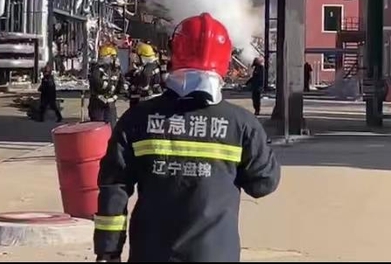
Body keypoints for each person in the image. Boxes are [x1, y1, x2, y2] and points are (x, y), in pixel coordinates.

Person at [94, 13, 281, 262]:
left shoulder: (136, 120)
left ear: (174, 55)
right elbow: (263, 184)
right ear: (224, 61)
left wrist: (108, 252)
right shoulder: (242, 124)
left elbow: (113, 188)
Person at [88, 44, 125, 128]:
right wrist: (108, 87)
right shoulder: (97, 69)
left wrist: (116, 95)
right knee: (97, 127)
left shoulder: (116, 70)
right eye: (113, 57)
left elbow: (121, 85)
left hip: (110, 105)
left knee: (111, 127)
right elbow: (96, 82)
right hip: (98, 103)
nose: (115, 59)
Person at [126, 42, 163, 109]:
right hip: (157, 97)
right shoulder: (155, 65)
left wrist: (137, 86)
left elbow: (145, 82)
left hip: (148, 99)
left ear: (142, 57)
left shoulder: (147, 69)